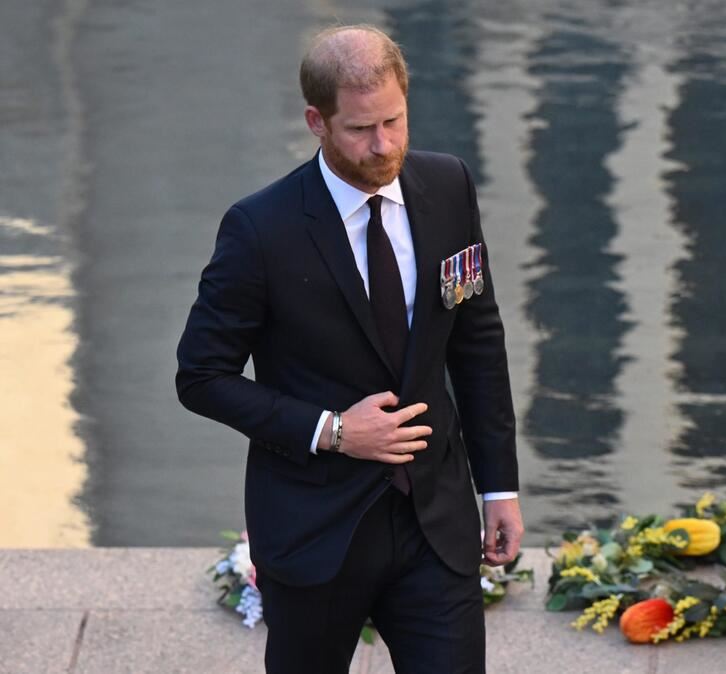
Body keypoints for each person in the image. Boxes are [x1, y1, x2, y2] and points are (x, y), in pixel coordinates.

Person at [176, 24, 522, 674]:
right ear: (317, 120)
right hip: (315, 530)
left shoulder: (449, 188)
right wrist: (333, 430)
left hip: (435, 522)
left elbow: (477, 341)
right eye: (361, 129)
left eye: (394, 121)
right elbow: (200, 375)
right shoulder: (260, 230)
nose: (384, 144)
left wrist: (498, 486)